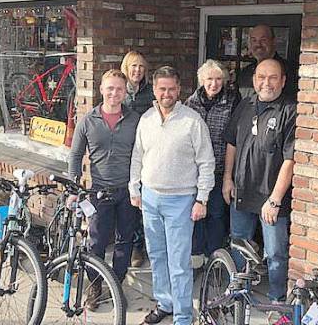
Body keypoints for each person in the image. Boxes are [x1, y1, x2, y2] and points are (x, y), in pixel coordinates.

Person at [129, 66, 215, 325]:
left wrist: (202, 198)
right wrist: (135, 188)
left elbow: (206, 162)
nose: (166, 93)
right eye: (161, 88)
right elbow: (137, 156)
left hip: (181, 200)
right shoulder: (145, 119)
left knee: (179, 263)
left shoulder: (192, 121)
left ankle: (183, 316)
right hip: (150, 198)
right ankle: (164, 303)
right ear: (155, 90)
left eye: (171, 89)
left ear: (179, 90)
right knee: (157, 256)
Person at [223, 58, 296, 302]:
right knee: (239, 245)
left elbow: (290, 159)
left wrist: (275, 200)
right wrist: (227, 179)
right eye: (261, 77)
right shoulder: (245, 105)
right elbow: (231, 143)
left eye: (273, 77)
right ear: (254, 80)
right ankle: (239, 294)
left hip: (271, 197)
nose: (267, 83)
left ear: (283, 81)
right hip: (242, 190)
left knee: (275, 252)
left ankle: (277, 299)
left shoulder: (289, 110)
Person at [69, 69, 140, 310]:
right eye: (110, 88)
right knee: (96, 242)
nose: (114, 93)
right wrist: (73, 186)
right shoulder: (88, 121)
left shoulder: (135, 119)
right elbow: (76, 154)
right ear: (101, 89)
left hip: (128, 191)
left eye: (119, 88)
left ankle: (116, 284)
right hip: (98, 192)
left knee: (125, 240)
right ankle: (95, 285)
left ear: (125, 91)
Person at [185, 59, 241, 267]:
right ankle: (196, 255)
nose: (214, 84)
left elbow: (233, 138)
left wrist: (228, 174)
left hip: (219, 167)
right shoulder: (190, 103)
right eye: (209, 79)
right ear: (202, 80)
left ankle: (214, 256)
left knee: (216, 213)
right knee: (196, 212)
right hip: (195, 170)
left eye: (218, 79)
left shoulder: (232, 102)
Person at [121, 50, 155, 267]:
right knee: (126, 203)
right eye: (134, 66)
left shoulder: (150, 92)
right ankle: (128, 244)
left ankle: (139, 247)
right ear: (126, 67)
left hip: (144, 153)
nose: (137, 70)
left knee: (140, 203)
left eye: (141, 67)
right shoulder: (119, 90)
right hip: (123, 152)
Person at [237, 24, 292, 97]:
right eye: (254, 40)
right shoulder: (245, 72)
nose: (258, 44)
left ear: (273, 41)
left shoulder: (289, 70)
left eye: (263, 40)